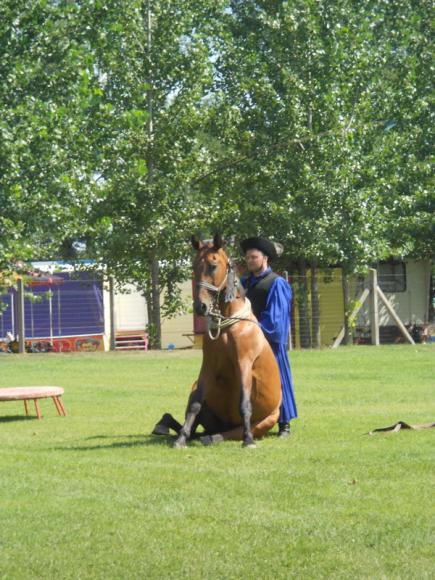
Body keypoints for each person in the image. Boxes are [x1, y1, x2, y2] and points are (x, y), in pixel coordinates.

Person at [240, 237, 297, 437]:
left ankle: (284, 423)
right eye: (247, 257)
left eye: (254, 257)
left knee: (279, 378)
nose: (250, 261)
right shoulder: (243, 282)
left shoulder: (277, 283)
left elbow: (277, 319)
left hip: (269, 343)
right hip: (244, 342)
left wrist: (254, 330)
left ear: (265, 258)